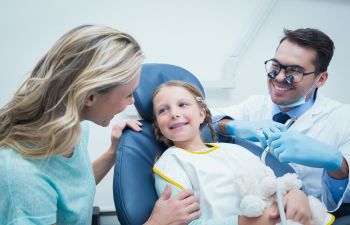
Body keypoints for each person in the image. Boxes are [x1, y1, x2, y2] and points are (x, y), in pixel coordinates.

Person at [0, 25, 200, 225]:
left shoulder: (74, 128)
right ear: (90, 97)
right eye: (128, 95)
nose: (133, 102)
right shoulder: (22, 174)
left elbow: (73, 191)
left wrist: (112, 152)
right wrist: (156, 223)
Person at [215, 28, 350, 212]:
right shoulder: (254, 105)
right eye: (276, 66)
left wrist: (338, 165)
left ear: (321, 79)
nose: (278, 77)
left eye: (294, 71)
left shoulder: (344, 119)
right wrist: (231, 126)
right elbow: (205, 118)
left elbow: (343, 199)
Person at [152, 80, 315, 225]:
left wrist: (295, 194)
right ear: (158, 124)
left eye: (182, 105)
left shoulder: (234, 150)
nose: (174, 114)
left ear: (202, 114)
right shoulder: (171, 163)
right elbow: (183, 222)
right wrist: (247, 222)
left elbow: (270, 184)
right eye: (163, 110)